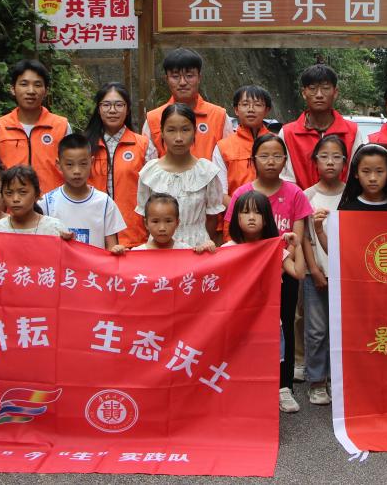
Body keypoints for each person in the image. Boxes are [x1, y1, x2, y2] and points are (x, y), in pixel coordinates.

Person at [225, 134, 312, 413]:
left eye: (277, 156)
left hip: (280, 274)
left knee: (284, 327)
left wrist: (285, 254)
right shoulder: (241, 194)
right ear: (253, 160)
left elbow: (297, 236)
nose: (271, 161)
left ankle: (284, 386)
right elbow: (230, 237)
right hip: (247, 283)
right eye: (264, 156)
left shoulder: (295, 193)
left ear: (285, 160)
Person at [300, 135, 347, 407]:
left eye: (336, 157)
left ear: (345, 162)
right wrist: (314, 270)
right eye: (324, 157)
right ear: (315, 161)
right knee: (316, 329)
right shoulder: (308, 196)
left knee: (341, 329)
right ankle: (317, 381)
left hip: (345, 275)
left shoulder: (351, 194)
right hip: (315, 273)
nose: (330, 162)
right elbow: (305, 238)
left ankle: (336, 378)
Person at [136, 104, 222, 249]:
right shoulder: (149, 173)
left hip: (198, 248)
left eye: (185, 130)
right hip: (160, 249)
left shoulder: (206, 172)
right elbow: (145, 217)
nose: (178, 138)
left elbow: (212, 217)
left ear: (195, 131)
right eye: (171, 130)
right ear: (162, 132)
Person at [0, 59, 71, 193]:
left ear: (46, 91)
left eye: (37, 85)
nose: (31, 91)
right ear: (13, 89)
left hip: (53, 204)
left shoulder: (61, 126)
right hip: (12, 203)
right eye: (24, 84)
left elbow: (72, 170)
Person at [85, 82, 155, 248]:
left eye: (119, 105)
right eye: (106, 105)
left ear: (128, 109)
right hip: (92, 231)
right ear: (98, 109)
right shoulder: (84, 145)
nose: (112, 110)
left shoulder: (143, 145)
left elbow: (154, 192)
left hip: (132, 232)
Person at [38, 133, 126, 252]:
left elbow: (111, 247)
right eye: (69, 164)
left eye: (83, 164)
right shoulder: (46, 203)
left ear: (92, 162)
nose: (77, 171)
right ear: (59, 165)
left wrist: (117, 250)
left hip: (94, 264)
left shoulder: (105, 203)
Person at [283, 64, 365, 190]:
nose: (319, 95)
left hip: (343, 200)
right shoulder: (287, 133)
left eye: (325, 88)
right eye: (312, 88)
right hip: (300, 201)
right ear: (304, 93)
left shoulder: (352, 131)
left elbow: (357, 173)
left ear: (335, 92)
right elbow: (285, 177)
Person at [142, 48, 231, 159]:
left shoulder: (219, 116)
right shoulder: (153, 119)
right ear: (166, 79)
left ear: (199, 77)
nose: (183, 82)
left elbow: (228, 159)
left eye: (189, 76)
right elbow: (148, 162)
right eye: (175, 77)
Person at [214, 85, 286, 209]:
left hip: (276, 214)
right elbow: (220, 192)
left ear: (267, 110)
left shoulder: (278, 143)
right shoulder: (223, 147)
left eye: (257, 105)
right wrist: (243, 212)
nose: (251, 109)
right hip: (236, 214)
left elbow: (286, 181)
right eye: (245, 104)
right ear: (236, 110)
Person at [0, 165, 71, 238]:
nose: (15, 199)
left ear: (37, 194)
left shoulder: (54, 228)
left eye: (23, 192)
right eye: (9, 193)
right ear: (2, 196)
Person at [128, 193, 215, 252]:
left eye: (168, 221)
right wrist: (121, 255)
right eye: (155, 221)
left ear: (177, 223)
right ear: (146, 224)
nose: (162, 228)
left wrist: (206, 251)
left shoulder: (185, 251)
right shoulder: (137, 253)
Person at [337, 144, 387, 211]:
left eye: (379, 171)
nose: (373, 178)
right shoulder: (347, 209)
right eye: (366, 171)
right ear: (356, 173)